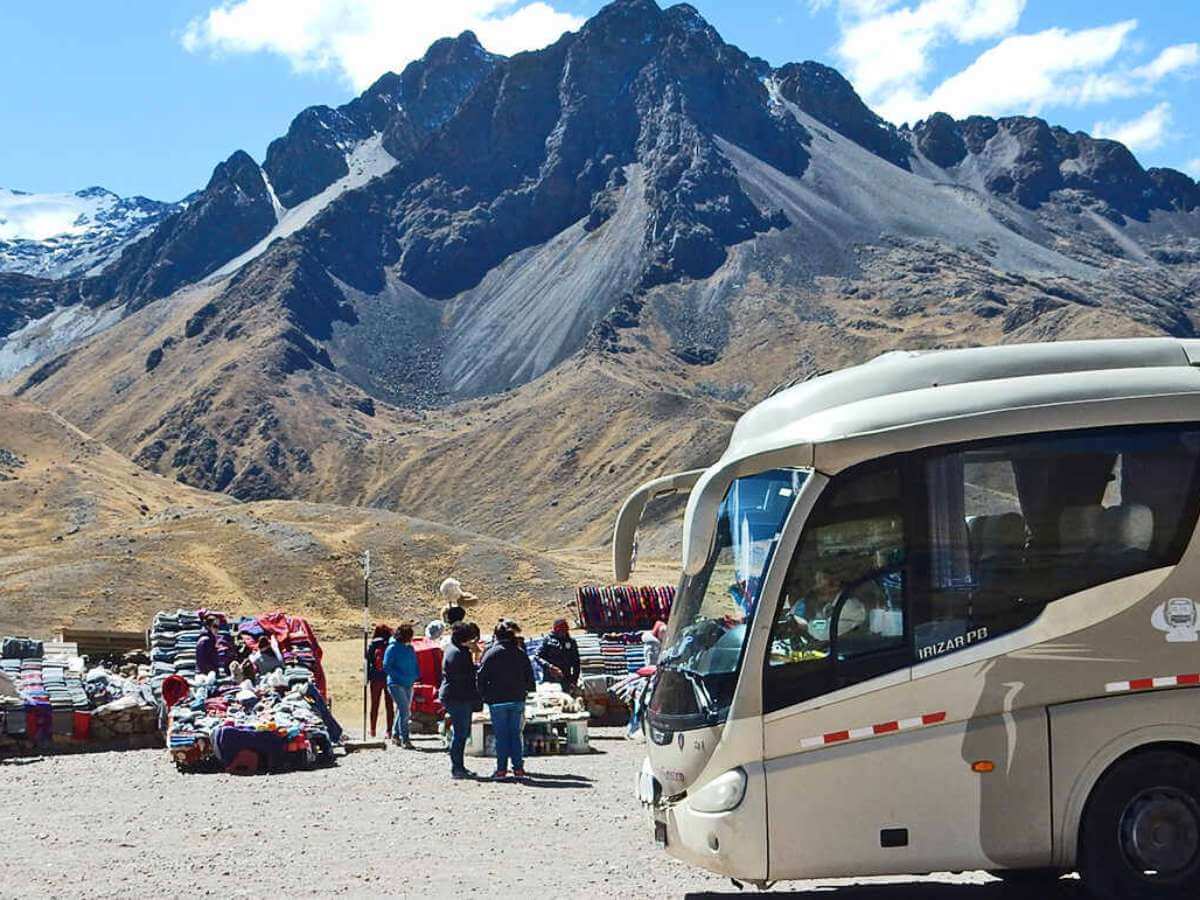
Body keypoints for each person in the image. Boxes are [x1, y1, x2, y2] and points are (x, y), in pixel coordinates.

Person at [477, 619, 535, 780]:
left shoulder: (490, 653)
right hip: (517, 699)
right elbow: (530, 676)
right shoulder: (520, 652)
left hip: (497, 701)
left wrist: (484, 696)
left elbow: (480, 677)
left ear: (496, 636)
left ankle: (501, 770)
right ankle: (518, 769)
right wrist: (526, 692)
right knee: (515, 735)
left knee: (501, 736)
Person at [439, 622, 480, 779]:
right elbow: (466, 676)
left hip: (453, 695)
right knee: (461, 733)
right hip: (458, 697)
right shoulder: (459, 654)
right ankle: (457, 768)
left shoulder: (453, 649)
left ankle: (459, 766)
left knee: (461, 732)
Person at [383, 624, 419, 748]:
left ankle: (396, 734)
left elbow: (414, 663)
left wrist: (415, 675)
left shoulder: (410, 649)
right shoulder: (392, 648)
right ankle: (405, 738)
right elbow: (387, 666)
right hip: (396, 683)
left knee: (403, 710)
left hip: (409, 683)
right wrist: (400, 677)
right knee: (405, 711)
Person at [365, 624, 395, 739]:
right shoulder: (390, 643)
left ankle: (372, 729)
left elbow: (367, 660)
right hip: (388, 677)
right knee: (389, 705)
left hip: (375, 678)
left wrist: (367, 678)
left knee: (374, 704)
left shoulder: (373, 644)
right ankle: (389, 730)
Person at [538, 619, 581, 691]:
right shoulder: (548, 640)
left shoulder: (571, 641)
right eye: (561, 629)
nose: (564, 632)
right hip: (551, 679)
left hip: (566, 678)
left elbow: (576, 662)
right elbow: (538, 656)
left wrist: (574, 680)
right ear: (556, 629)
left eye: (565, 629)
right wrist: (549, 666)